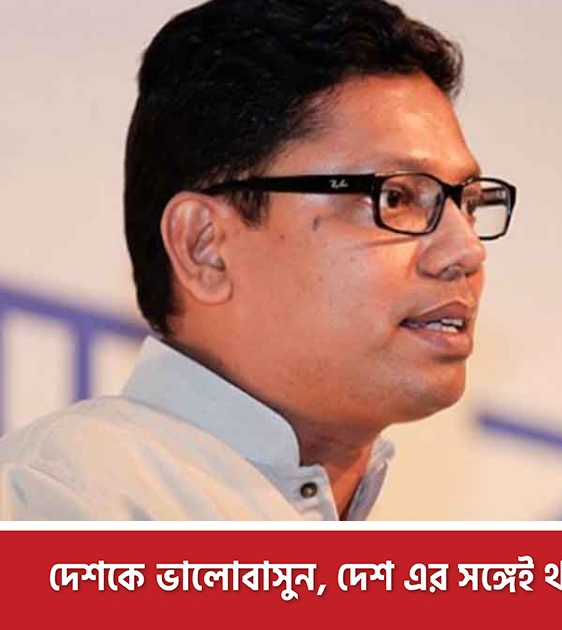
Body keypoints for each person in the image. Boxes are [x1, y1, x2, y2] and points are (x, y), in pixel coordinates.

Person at [0, 0, 515, 520]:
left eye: (469, 204)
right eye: (396, 198)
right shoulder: (57, 502)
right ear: (205, 247)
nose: (467, 251)